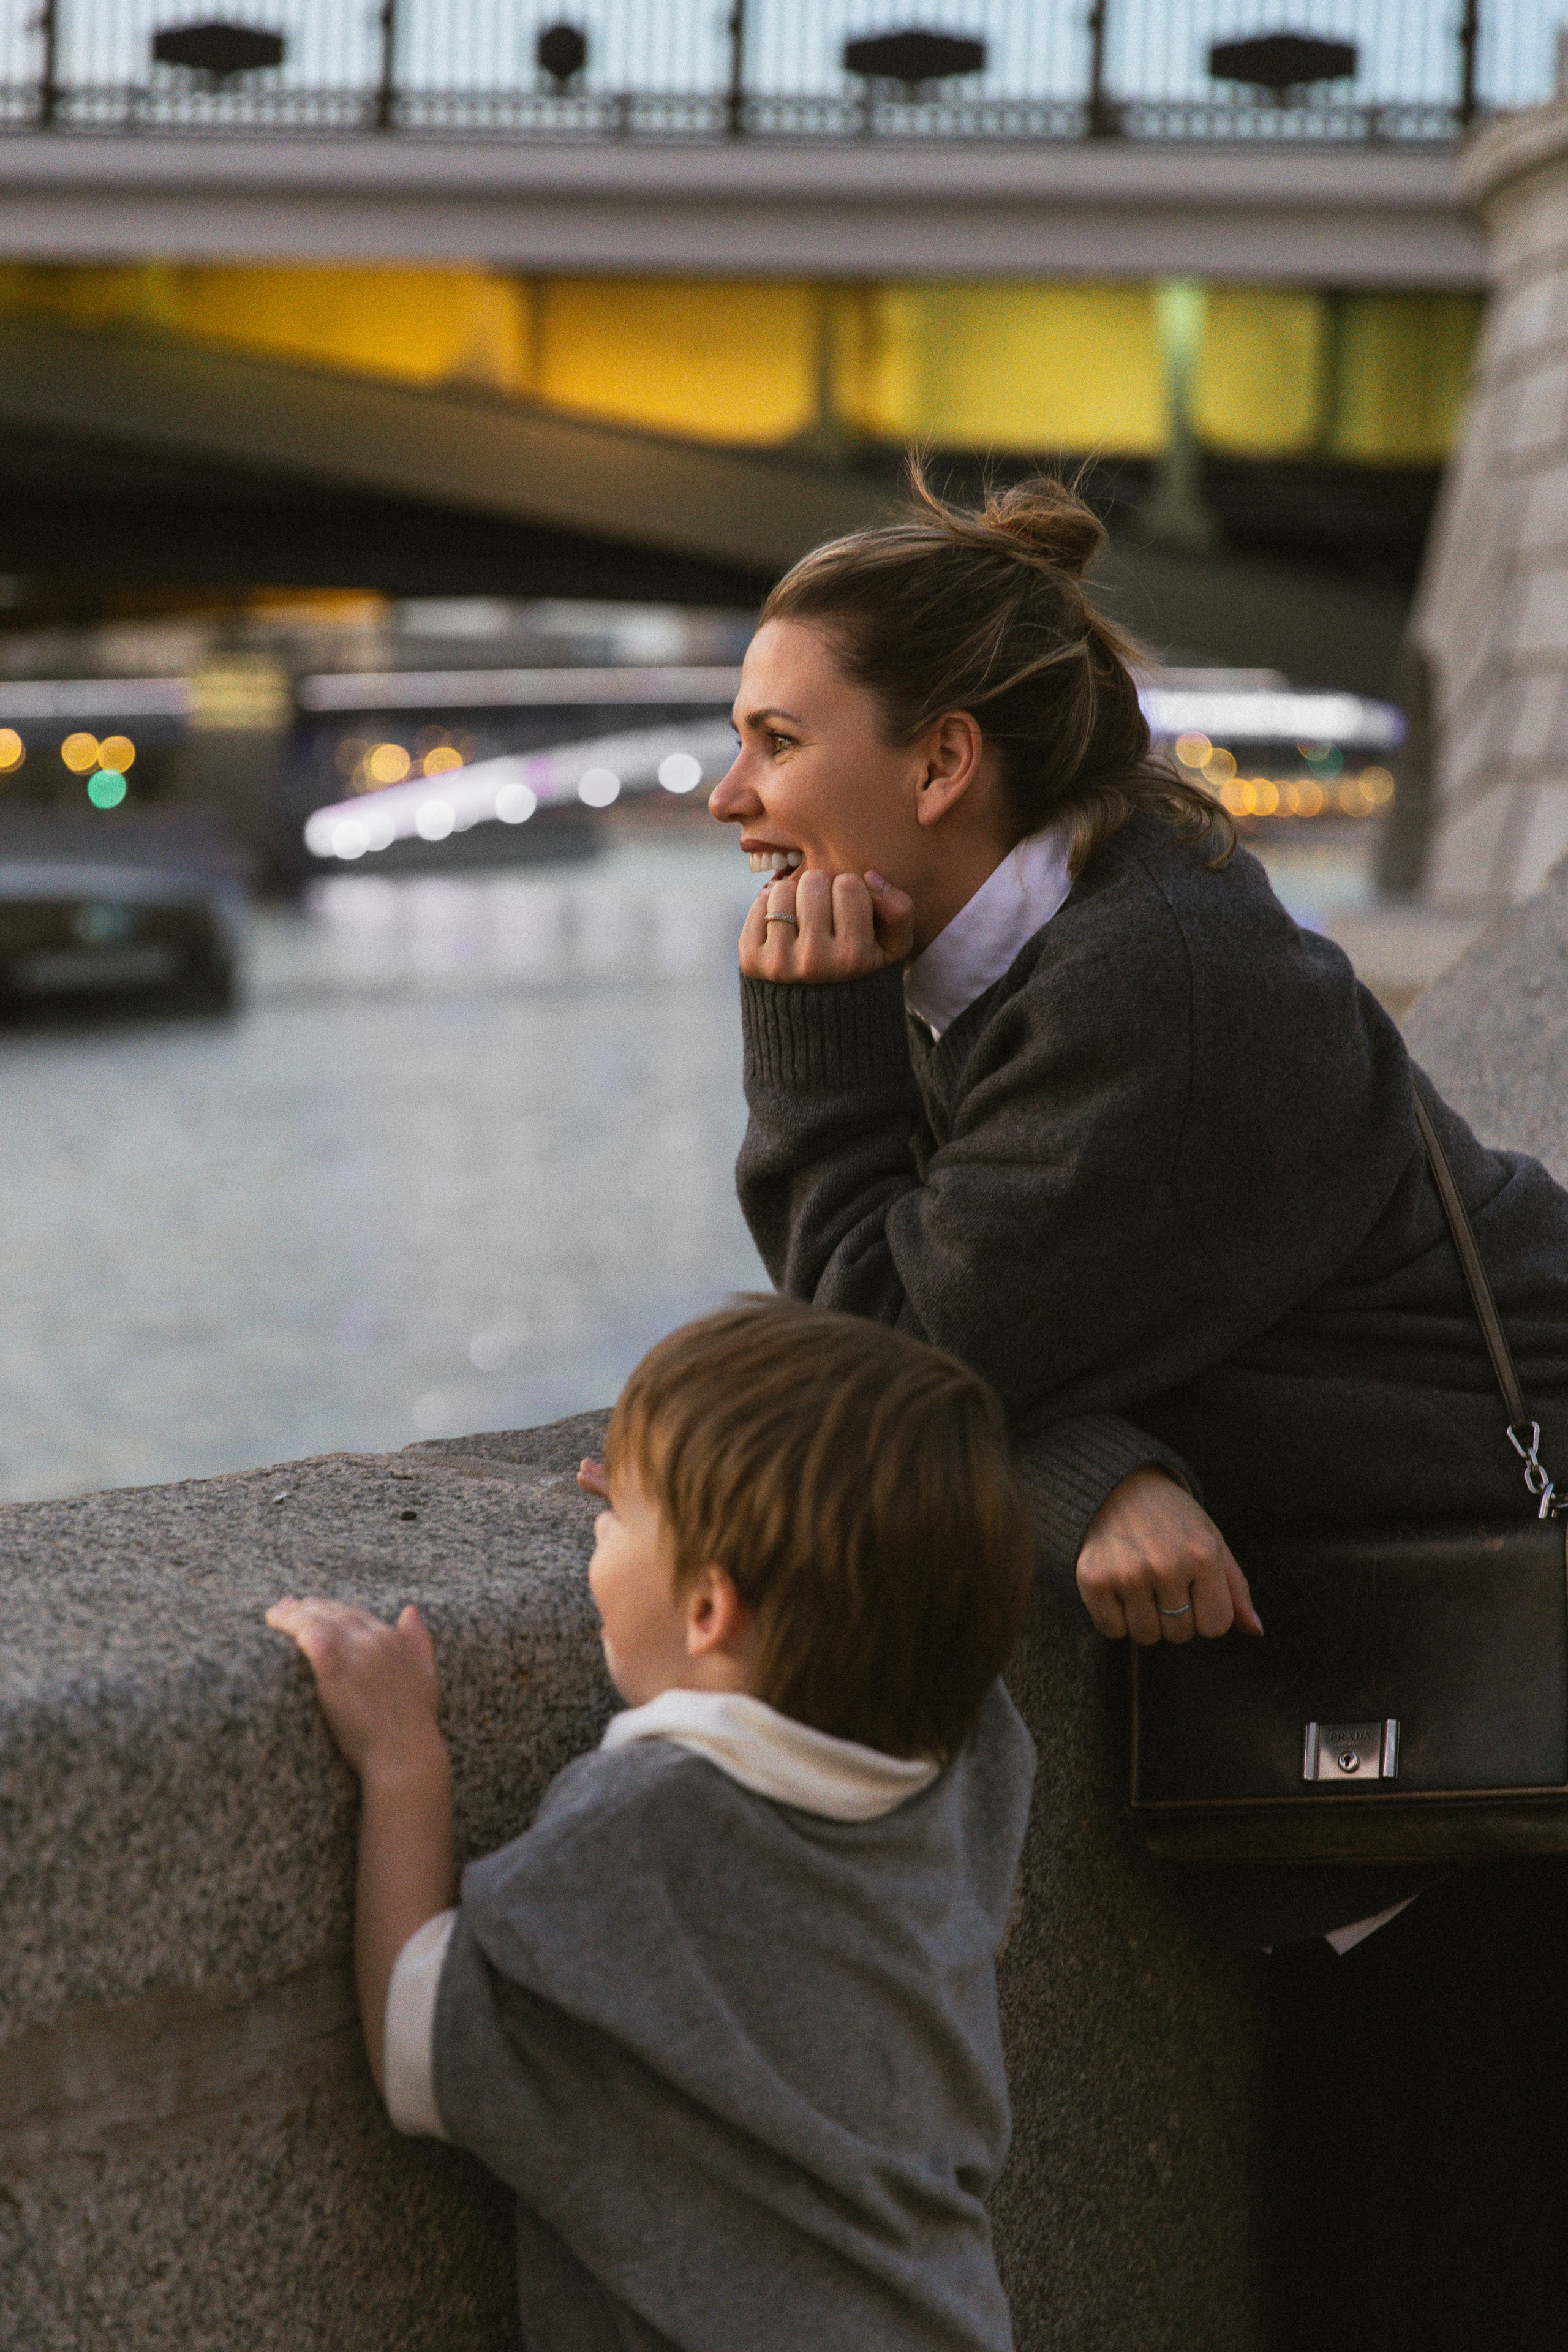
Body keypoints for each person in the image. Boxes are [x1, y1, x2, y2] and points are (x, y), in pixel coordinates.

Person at [710, 464, 1568, 2350]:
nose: (730, 796)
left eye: (777, 740)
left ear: (941, 764)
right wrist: (1086, 1463)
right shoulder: (1070, 943)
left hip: (1490, 1740)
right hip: (1410, 1727)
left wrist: (811, 1045)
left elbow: (887, 1357)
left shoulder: (1146, 995)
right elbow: (1009, 1335)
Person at [266, 1298, 1036, 2352]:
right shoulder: (963, 1778)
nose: (597, 1524)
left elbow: (417, 2038)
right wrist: (685, 1519)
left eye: (619, 1517)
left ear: (710, 1612)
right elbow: (937, 1632)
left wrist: (403, 1760)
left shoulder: (639, 1832)